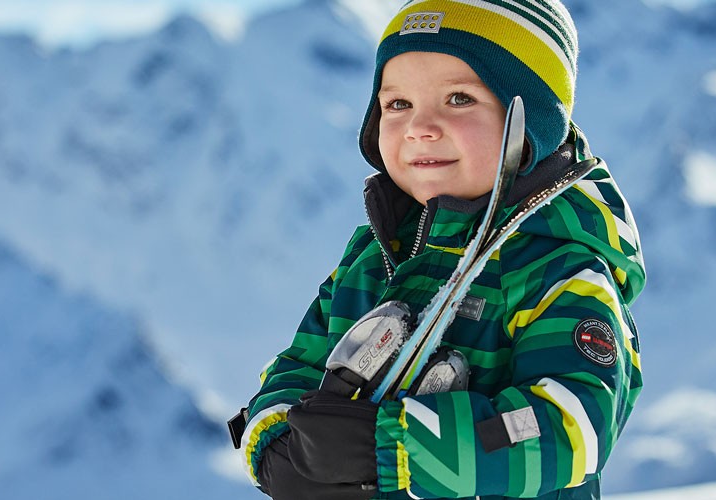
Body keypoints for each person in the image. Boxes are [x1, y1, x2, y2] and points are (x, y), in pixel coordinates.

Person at [231, 1, 644, 498]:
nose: (419, 127)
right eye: (398, 104)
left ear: (532, 121)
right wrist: (276, 446)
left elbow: (571, 427)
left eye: (458, 99)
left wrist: (390, 451)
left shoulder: (558, 270)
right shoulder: (372, 259)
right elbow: (297, 366)